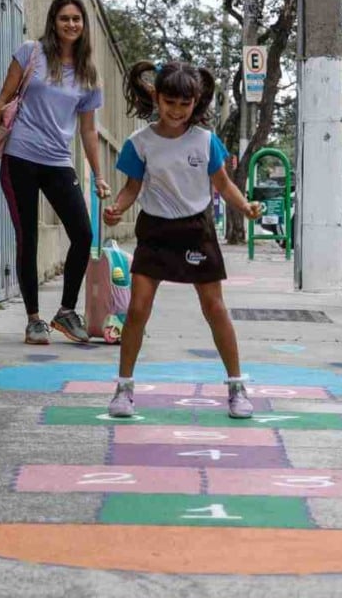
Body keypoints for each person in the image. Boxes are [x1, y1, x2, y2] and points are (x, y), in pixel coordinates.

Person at [102, 60, 264, 419]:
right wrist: (115, 208)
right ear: (156, 98)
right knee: (138, 308)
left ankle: (237, 386)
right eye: (169, 102)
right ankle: (124, 388)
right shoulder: (139, 143)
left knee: (215, 308)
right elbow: (132, 188)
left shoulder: (206, 141)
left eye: (184, 104)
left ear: (196, 102)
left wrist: (246, 206)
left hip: (196, 230)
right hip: (155, 231)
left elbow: (223, 183)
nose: (176, 111)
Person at [0, 0, 110, 345]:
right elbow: (3, 99)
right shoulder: (31, 53)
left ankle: (66, 311)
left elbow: (88, 129)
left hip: (58, 161)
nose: (71, 24)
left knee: (82, 233)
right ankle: (34, 319)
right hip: (20, 157)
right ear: (54, 21)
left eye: (77, 19)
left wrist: (99, 174)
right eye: (64, 18)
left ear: (84, 25)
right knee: (27, 237)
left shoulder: (88, 74)